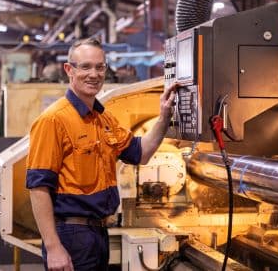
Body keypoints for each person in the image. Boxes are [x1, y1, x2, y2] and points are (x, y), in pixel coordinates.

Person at [26, 38, 177, 270]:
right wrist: (54, 247)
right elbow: (38, 188)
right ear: (69, 70)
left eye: (100, 67)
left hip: (98, 233)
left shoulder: (104, 120)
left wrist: (164, 117)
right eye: (85, 67)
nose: (93, 74)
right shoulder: (53, 120)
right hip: (71, 235)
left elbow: (141, 153)